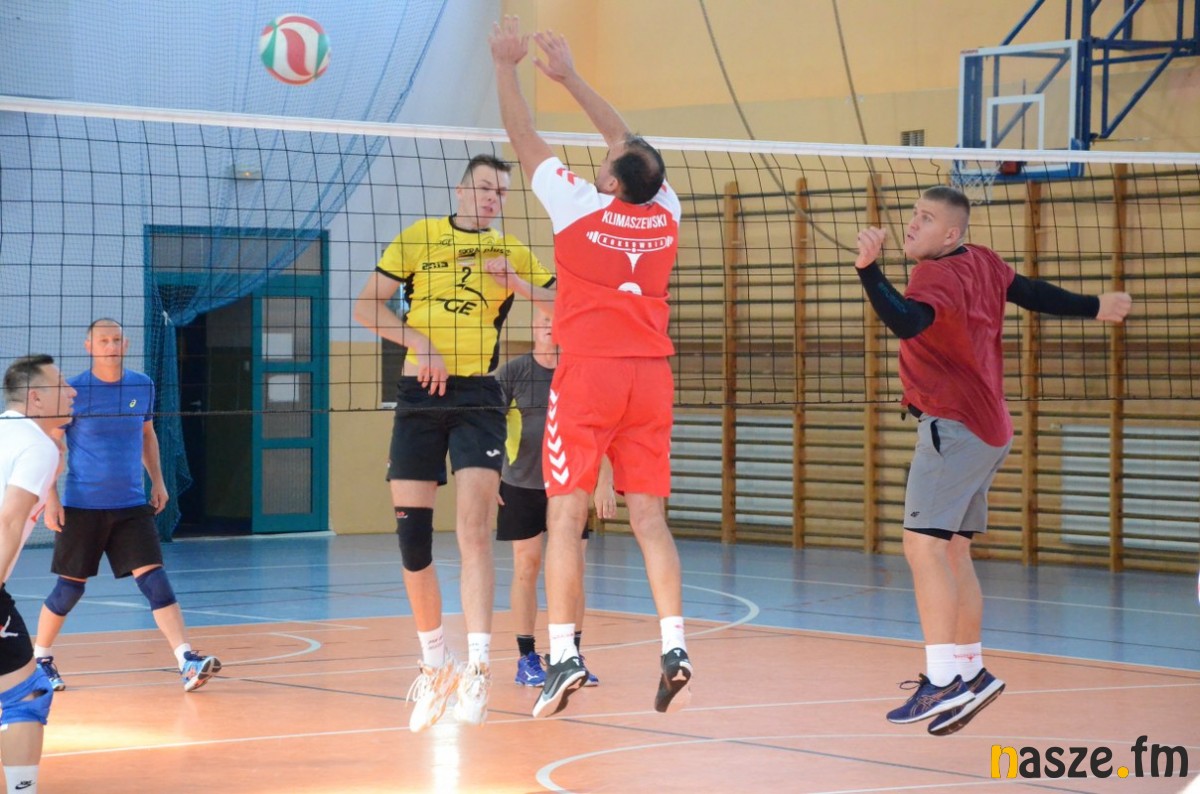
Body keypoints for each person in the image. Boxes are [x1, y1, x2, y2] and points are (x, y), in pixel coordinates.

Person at [853, 186, 1132, 735]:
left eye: (925, 218)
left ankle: (942, 682)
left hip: (955, 427)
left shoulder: (934, 274)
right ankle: (971, 672)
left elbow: (907, 321)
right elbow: (1030, 292)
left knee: (922, 548)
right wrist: (1095, 306)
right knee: (954, 552)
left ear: (950, 234)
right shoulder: (981, 259)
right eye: (913, 214)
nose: (912, 224)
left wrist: (869, 269)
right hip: (989, 427)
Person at [490, 18, 694, 719]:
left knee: (566, 512)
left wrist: (507, 66)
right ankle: (675, 645)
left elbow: (522, 136)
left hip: (590, 377)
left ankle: (565, 656)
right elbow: (630, 145)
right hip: (652, 378)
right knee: (650, 519)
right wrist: (571, 76)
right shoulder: (666, 211)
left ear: (609, 179)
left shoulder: (577, 206)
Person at [353, 153, 556, 731]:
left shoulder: (511, 250)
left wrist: (517, 284)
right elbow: (365, 306)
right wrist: (421, 342)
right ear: (462, 190)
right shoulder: (418, 238)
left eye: (502, 193)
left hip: (478, 397)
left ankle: (479, 671)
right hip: (419, 393)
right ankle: (435, 663)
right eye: (486, 188)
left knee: (474, 532)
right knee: (412, 539)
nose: (493, 198)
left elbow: (566, 304)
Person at [33, 319, 221, 694]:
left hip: (131, 505)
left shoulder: (141, 385)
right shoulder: (72, 391)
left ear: (126, 344)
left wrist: (159, 481)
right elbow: (51, 446)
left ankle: (186, 660)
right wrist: (50, 497)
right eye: (103, 340)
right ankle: (41, 660)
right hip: (82, 506)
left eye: (116, 340)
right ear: (89, 346)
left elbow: (147, 434)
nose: (111, 346)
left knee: (155, 580)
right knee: (69, 589)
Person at [493, 310, 616, 688]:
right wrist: (489, 476)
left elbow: (601, 429)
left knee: (574, 569)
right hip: (521, 483)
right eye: (542, 319)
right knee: (526, 566)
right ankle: (526, 657)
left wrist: (604, 480)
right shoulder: (512, 373)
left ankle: (569, 655)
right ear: (533, 326)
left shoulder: (581, 371)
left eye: (555, 319)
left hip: (571, 484)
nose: (548, 325)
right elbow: (488, 425)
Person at [0, 355, 75, 794]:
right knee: (26, 695)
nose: (73, 391)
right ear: (36, 398)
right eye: (62, 384)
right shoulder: (35, 445)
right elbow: (10, 520)